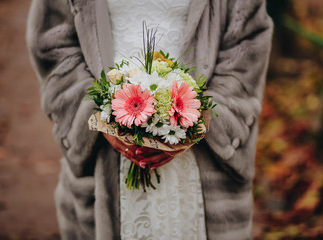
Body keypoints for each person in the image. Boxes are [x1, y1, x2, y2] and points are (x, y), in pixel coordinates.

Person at [26, 0, 273, 239]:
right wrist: (98, 115)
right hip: (106, 154)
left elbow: (247, 42)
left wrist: (200, 118)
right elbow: (53, 43)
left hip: (202, 150)